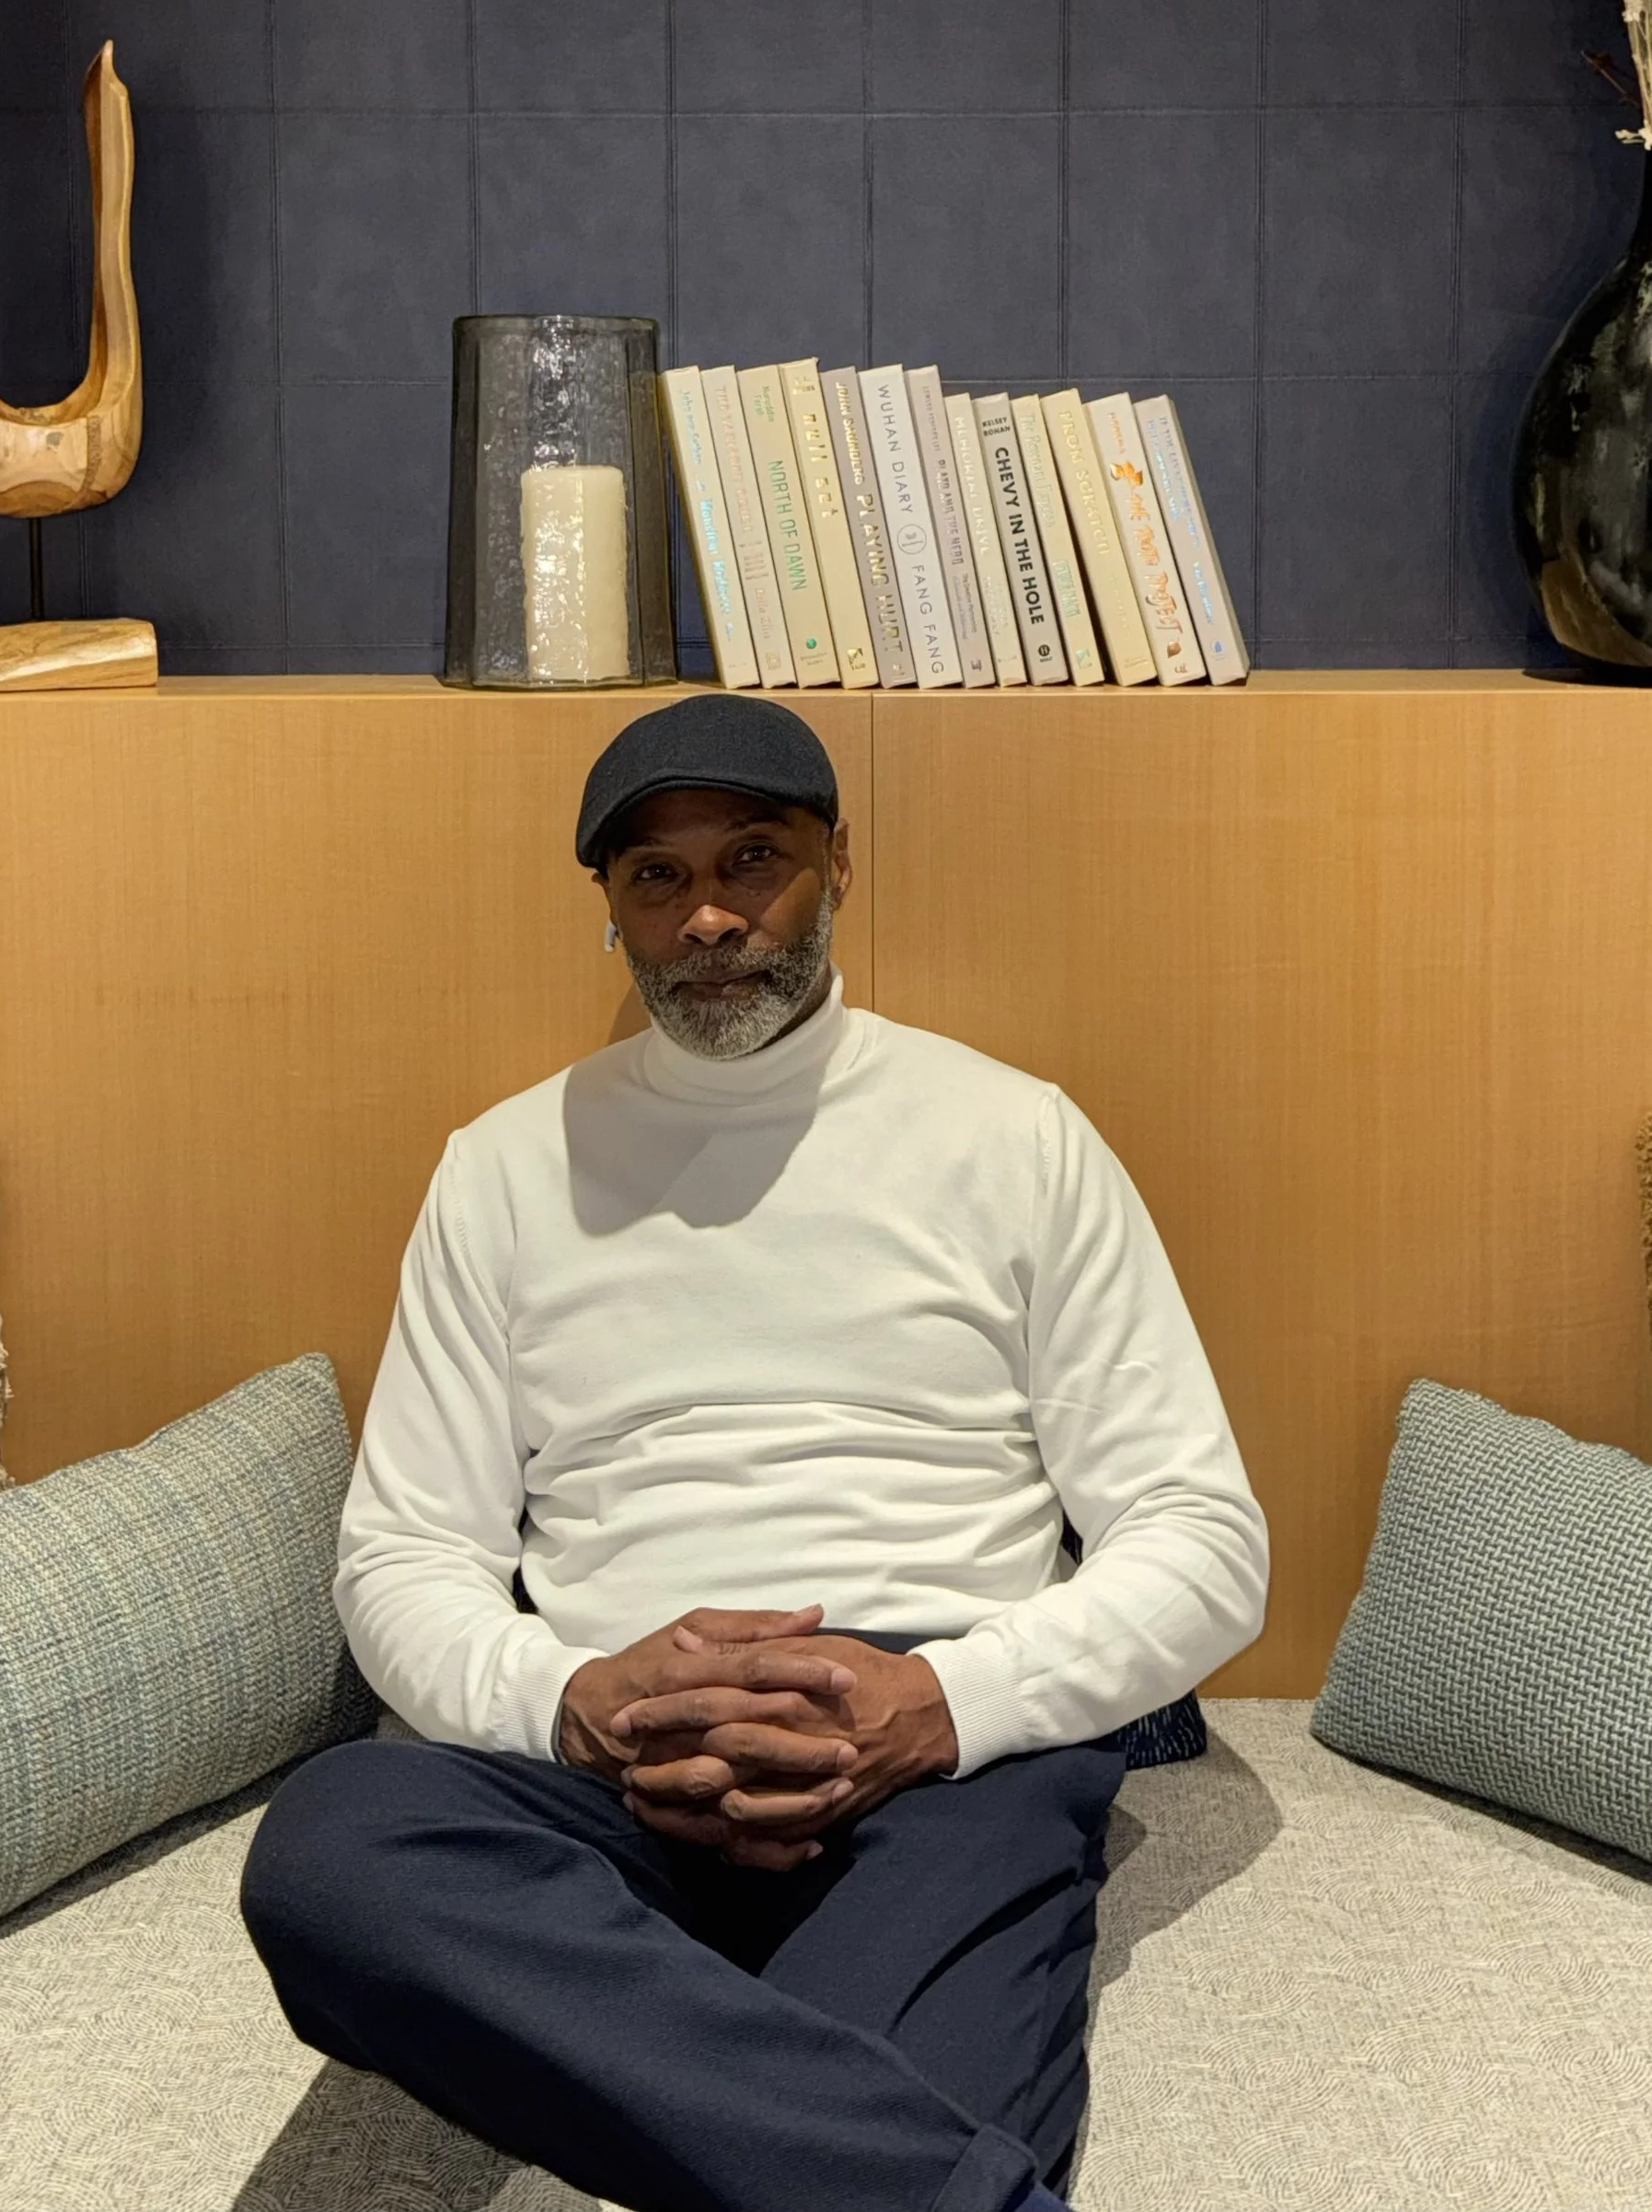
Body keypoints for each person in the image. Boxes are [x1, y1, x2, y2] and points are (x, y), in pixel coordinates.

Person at [243, 695, 1267, 2212]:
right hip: (606, 1778)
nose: (710, 915)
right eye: (656, 879)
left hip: (935, 1757)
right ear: (610, 907)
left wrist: (942, 1701)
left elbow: (1201, 1537)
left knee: (882, 2105)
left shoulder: (1016, 1139)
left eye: (754, 860)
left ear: (841, 862)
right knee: (333, 1850)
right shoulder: (505, 1171)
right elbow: (403, 1553)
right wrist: (578, 1702)